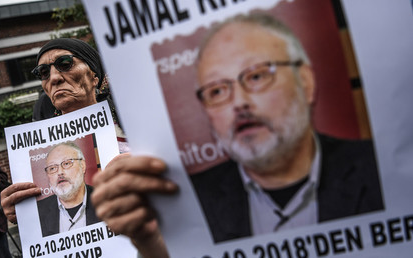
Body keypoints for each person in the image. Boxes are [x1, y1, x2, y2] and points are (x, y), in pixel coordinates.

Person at [90, 11, 383, 256]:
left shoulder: (381, 170)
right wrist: (149, 241)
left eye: (256, 76)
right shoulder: (191, 200)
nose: (239, 102)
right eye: (217, 90)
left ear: (305, 81)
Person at [0, 38, 109, 224]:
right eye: (43, 72)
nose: (54, 77)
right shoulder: (39, 148)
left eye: (65, 64)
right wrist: (24, 209)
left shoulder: (132, 124)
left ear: (94, 76)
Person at [37, 141, 100, 237]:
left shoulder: (107, 199)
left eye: (66, 163)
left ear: (82, 166)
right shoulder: (37, 212)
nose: (60, 172)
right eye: (52, 168)